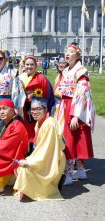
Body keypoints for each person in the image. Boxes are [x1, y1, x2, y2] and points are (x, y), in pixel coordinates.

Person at [53, 43, 95, 185]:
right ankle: (80, 169)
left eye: (71, 51)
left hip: (73, 107)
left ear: (78, 55)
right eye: (66, 51)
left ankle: (68, 173)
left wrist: (76, 115)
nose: (67, 53)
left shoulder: (81, 71)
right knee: (72, 138)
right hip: (65, 105)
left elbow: (83, 94)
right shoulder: (66, 71)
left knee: (70, 140)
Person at [14, 98, 66, 201]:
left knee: (25, 170)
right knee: (19, 167)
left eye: (38, 109)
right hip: (44, 156)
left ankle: (49, 186)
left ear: (45, 110)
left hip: (52, 159)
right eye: (32, 109)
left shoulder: (49, 125)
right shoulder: (39, 122)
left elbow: (47, 150)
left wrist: (30, 161)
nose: (35, 112)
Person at [18, 55, 53, 151]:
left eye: (32, 65)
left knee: (35, 129)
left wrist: (39, 107)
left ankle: (35, 151)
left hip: (35, 108)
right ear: (24, 65)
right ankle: (25, 150)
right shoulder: (20, 77)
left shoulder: (41, 78)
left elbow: (46, 94)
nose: (29, 67)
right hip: (22, 108)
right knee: (23, 129)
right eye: (27, 64)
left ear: (36, 66)